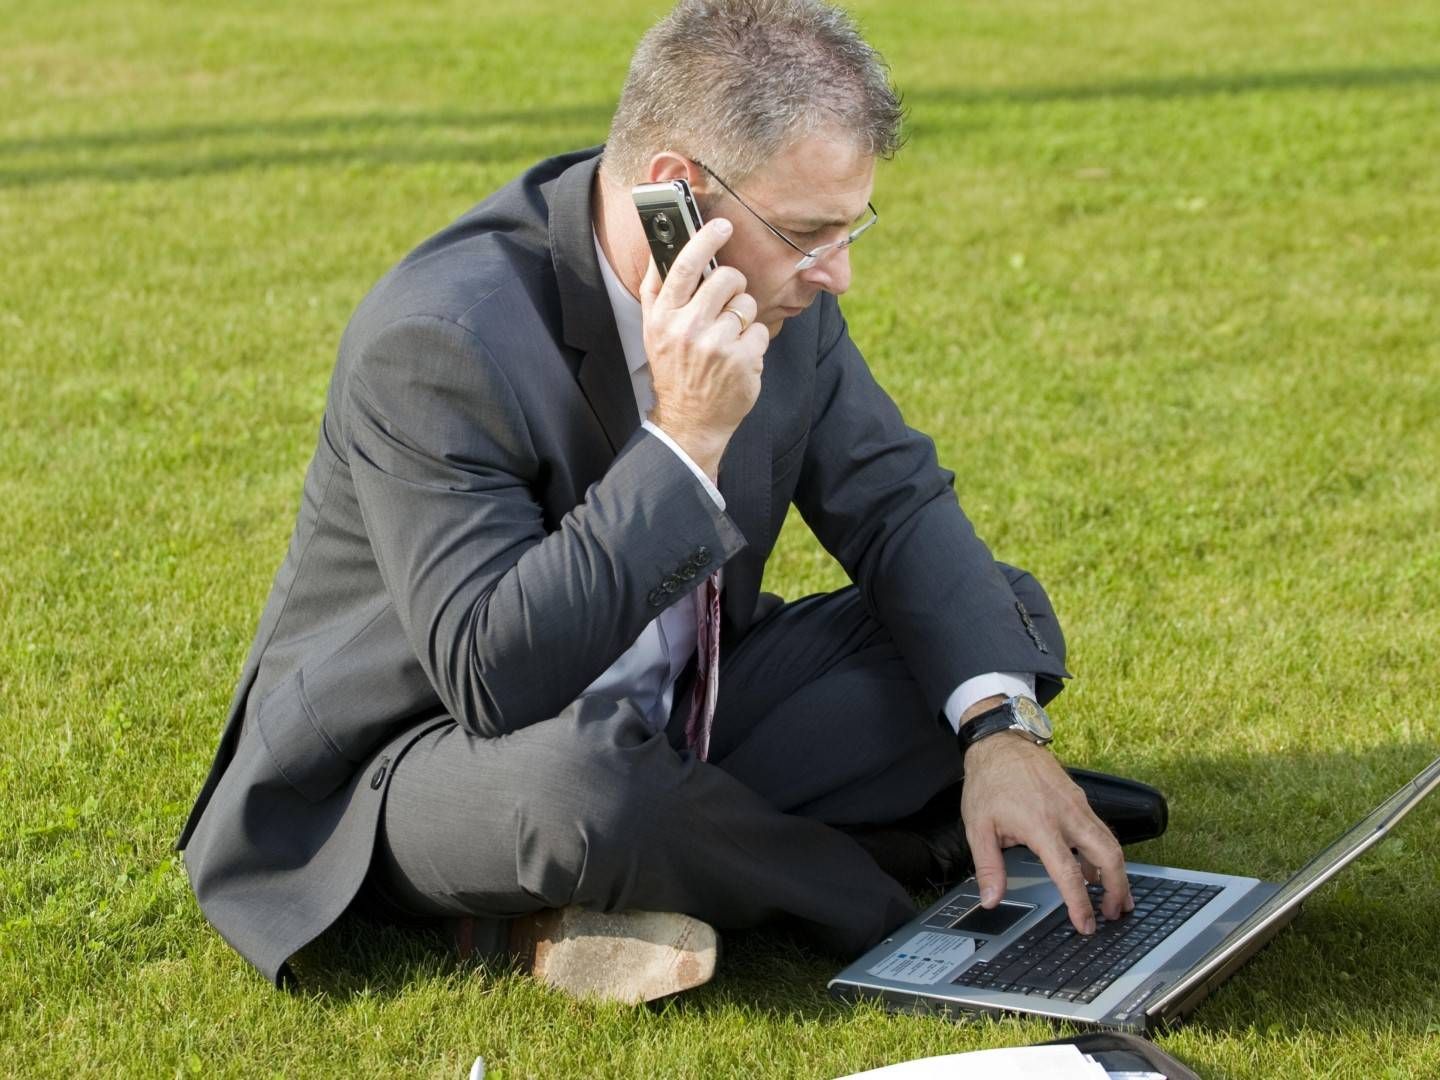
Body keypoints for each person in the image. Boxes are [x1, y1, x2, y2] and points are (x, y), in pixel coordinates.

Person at [178, 0, 1164, 1004]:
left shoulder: (785, 298)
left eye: (851, 226)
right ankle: (885, 870)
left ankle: (663, 878)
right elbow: (490, 671)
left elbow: (896, 503)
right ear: (675, 197)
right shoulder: (441, 338)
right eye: (808, 232)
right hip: (430, 760)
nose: (840, 273)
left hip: (685, 712)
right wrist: (685, 439)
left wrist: (1001, 731)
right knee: (589, 797)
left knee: (996, 623)